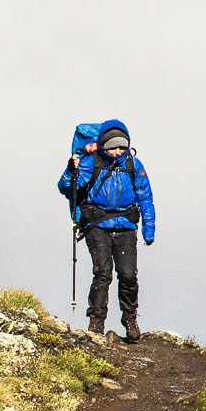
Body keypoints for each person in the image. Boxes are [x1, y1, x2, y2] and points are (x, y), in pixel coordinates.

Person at [59, 119, 156, 341]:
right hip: (97, 225)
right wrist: (69, 171)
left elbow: (146, 197)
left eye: (121, 146)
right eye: (113, 147)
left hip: (126, 227)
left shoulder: (134, 165)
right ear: (103, 145)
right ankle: (96, 323)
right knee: (102, 273)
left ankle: (130, 320)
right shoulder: (88, 162)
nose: (117, 151)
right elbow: (67, 187)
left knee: (128, 275)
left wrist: (148, 230)